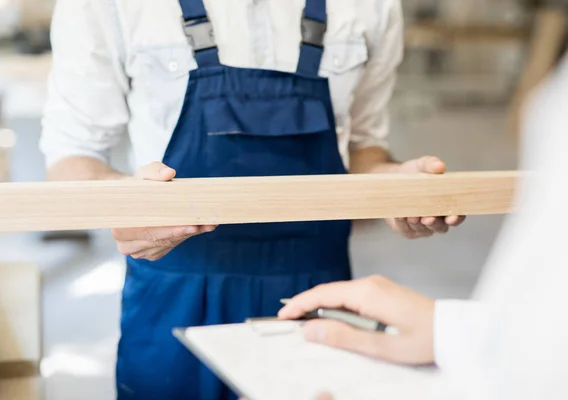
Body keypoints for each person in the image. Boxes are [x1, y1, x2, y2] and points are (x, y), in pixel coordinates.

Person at [40, 0, 465, 398]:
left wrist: (399, 185)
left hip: (318, 299)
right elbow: (70, 162)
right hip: (172, 295)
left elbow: (365, 150)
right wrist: (127, 204)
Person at [279, 52, 568, 400]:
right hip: (198, 272)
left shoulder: (365, 9)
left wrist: (392, 185)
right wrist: (447, 329)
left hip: (320, 272)